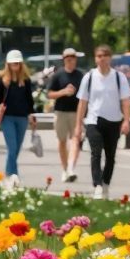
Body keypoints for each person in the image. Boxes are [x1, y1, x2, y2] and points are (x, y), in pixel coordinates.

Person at [72, 41, 130, 199]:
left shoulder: (119, 77)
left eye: (105, 56)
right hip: (94, 120)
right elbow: (82, 103)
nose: (102, 59)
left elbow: (125, 100)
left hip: (113, 120)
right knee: (95, 153)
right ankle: (97, 184)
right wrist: (78, 125)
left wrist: (126, 121)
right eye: (99, 56)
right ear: (95, 59)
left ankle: (105, 183)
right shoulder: (89, 77)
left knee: (110, 156)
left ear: (110, 58)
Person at [0, 50, 38, 179]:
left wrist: (32, 116)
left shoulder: (26, 80)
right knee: (12, 147)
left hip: (22, 117)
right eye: (13, 63)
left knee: (17, 148)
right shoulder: (2, 80)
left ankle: (8, 173)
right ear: (8, 64)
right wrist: (0, 104)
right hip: (8, 118)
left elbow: (29, 100)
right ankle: (14, 175)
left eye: (17, 63)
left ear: (21, 64)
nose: (15, 66)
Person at [47, 46, 81, 176]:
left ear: (75, 59)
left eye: (72, 57)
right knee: (62, 141)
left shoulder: (80, 75)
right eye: (68, 57)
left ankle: (71, 167)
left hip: (76, 112)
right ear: (64, 59)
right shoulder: (58, 75)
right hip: (61, 112)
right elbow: (49, 94)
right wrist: (63, 92)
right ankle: (65, 168)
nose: (70, 60)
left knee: (75, 140)